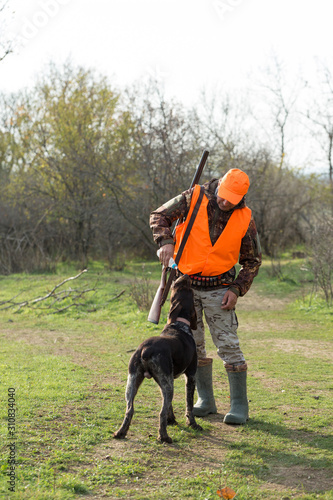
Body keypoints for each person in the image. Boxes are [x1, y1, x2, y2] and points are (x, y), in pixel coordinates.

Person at [149, 168, 262, 424]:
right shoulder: (194, 197)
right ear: (219, 185)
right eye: (223, 196)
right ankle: (206, 401)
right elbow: (159, 216)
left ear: (241, 198)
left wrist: (236, 289)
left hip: (220, 288)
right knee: (193, 347)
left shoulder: (245, 218)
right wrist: (165, 241)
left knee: (229, 346)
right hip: (186, 287)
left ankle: (239, 406)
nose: (225, 202)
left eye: (232, 200)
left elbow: (252, 261)